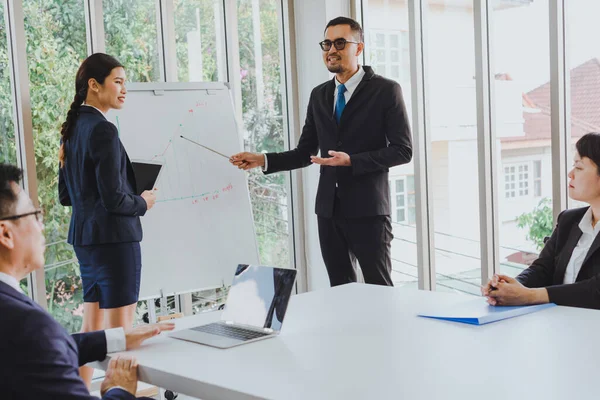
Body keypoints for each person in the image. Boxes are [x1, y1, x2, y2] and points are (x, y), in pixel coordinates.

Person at [230, 17, 412, 287]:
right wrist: (262, 159)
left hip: (369, 212)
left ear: (358, 48)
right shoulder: (320, 95)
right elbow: (305, 152)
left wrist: (352, 161)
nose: (331, 50)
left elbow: (403, 150)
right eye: (327, 43)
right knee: (339, 290)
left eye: (340, 43)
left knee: (379, 289)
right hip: (328, 211)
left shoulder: (385, 91)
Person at [0, 163, 175, 399]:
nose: (41, 225)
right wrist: (119, 390)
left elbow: (40, 350)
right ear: (6, 234)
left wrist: (116, 337)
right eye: (34, 214)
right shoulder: (26, 324)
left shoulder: (19, 324)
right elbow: (37, 344)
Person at [58, 53, 157, 385]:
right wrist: (142, 201)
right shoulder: (103, 130)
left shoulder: (72, 130)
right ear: (93, 85)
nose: (124, 89)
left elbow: (66, 196)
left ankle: (78, 392)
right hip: (116, 242)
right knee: (119, 336)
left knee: (92, 330)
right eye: (118, 81)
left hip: (86, 240)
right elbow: (115, 199)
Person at [483, 132, 600, 309]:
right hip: (558, 324)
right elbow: (542, 269)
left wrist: (528, 296)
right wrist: (509, 287)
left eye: (579, 167)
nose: (570, 174)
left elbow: (595, 290)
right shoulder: (569, 220)